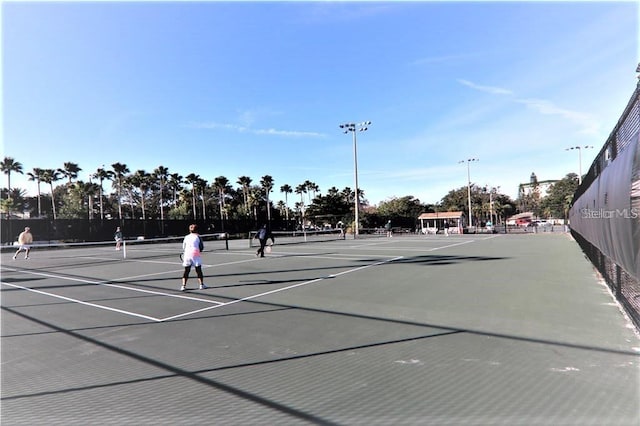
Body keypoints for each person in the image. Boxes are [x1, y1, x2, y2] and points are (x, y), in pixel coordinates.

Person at [180, 224, 207, 291]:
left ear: (189, 230)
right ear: (197, 230)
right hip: (195, 255)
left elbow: (183, 247)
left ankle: (183, 286)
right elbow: (201, 247)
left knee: (186, 270)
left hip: (187, 255)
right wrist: (198, 251)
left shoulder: (186, 237)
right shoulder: (198, 237)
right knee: (198, 270)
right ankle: (201, 285)